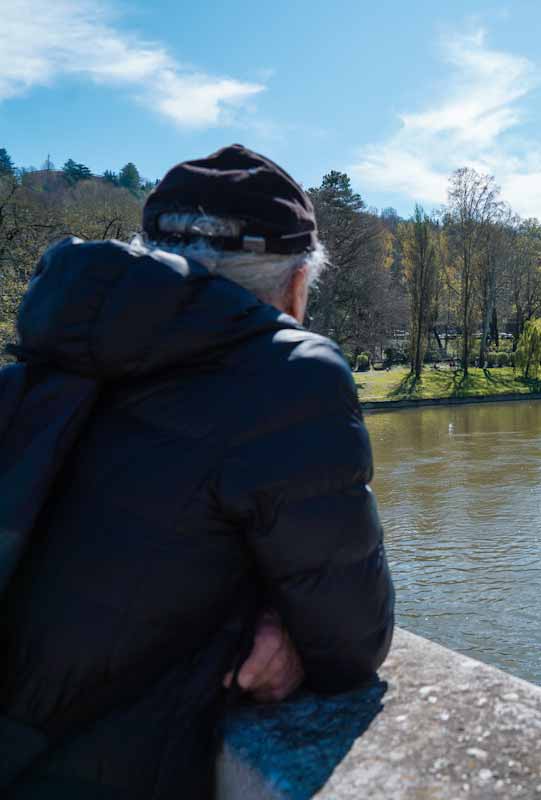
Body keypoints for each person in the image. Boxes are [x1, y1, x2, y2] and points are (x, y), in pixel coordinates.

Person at [0, 145, 395, 799]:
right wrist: (280, 616)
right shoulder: (290, 377)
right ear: (297, 284)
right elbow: (352, 641)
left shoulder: (36, 371)